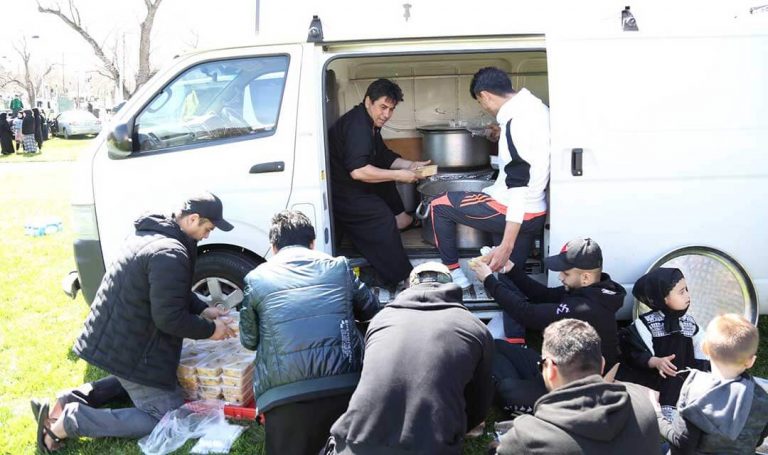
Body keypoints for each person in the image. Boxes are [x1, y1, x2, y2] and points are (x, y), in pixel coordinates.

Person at [31, 191, 236, 453]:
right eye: (207, 229)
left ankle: (66, 401)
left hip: (113, 336)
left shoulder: (154, 235)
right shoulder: (170, 253)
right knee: (165, 415)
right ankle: (72, 421)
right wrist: (211, 330)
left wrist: (203, 309)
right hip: (130, 345)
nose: (207, 236)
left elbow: (171, 292)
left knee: (133, 379)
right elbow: (169, 318)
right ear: (193, 219)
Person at [239, 210, 380, 455]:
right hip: (345, 383)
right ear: (313, 243)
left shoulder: (256, 279)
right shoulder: (339, 267)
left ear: (273, 247)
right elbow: (372, 310)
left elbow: (249, 340)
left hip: (283, 395)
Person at [325, 262, 495, 455]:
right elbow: (480, 399)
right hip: (430, 448)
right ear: (451, 287)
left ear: (409, 287)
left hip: (355, 445)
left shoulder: (381, 320)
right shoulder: (474, 327)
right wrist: (464, 425)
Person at [469, 237, 625, 414]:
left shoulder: (586, 308)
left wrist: (489, 280)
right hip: (560, 370)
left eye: (566, 273)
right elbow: (544, 295)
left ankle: (517, 389)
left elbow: (527, 314)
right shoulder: (590, 290)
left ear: (586, 277)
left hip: (575, 391)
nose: (560, 277)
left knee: (506, 390)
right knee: (494, 346)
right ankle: (520, 383)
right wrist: (510, 268)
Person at [429, 67, 550, 293]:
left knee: (439, 205)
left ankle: (454, 273)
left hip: (514, 210)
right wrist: (501, 134)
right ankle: (512, 313)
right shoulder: (538, 110)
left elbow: (518, 187)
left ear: (485, 95)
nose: (484, 108)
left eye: (480, 102)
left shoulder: (516, 124)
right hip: (536, 212)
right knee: (510, 283)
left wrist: (506, 245)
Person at [495, 319, 661, 455]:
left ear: (550, 369)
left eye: (542, 365)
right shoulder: (644, 408)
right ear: (602, 364)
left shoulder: (529, 435)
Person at [329, 78, 430, 286]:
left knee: (386, 179)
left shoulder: (369, 122)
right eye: (383, 107)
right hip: (343, 193)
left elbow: (383, 156)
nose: (386, 114)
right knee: (382, 217)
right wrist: (399, 175)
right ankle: (401, 277)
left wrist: (411, 165)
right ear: (368, 101)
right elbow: (358, 171)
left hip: (355, 184)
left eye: (391, 109)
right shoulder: (357, 127)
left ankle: (403, 220)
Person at [655, 313, 768, 454]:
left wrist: (658, 415)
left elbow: (682, 443)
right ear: (751, 361)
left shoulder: (695, 390)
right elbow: (758, 440)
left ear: (705, 349)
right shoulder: (763, 396)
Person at [617, 267, 710, 419]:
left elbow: (702, 349)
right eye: (681, 292)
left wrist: (701, 373)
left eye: (686, 290)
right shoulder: (646, 324)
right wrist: (655, 361)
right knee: (660, 412)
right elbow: (634, 352)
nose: (687, 295)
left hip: (684, 381)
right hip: (657, 381)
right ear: (663, 298)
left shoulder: (689, 323)